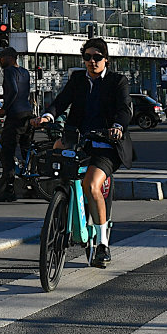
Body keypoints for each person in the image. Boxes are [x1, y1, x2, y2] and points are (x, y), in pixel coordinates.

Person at [45, 37, 135, 268]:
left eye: (97, 57)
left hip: (106, 145)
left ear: (106, 59)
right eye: (87, 57)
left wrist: (117, 126)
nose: (92, 61)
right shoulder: (77, 79)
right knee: (56, 148)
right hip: (80, 140)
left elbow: (124, 109)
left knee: (92, 185)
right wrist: (48, 115)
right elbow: (61, 101)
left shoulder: (118, 81)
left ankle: (103, 244)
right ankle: (62, 198)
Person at [0, 45, 37, 202]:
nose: (0, 60)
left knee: (8, 152)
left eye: (2, 57)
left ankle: (9, 190)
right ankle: (31, 186)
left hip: (15, 116)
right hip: (27, 114)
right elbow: (21, 92)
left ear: (11, 58)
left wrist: (4, 108)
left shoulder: (9, 71)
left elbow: (13, 91)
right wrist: (0, 96)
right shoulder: (25, 72)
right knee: (26, 152)